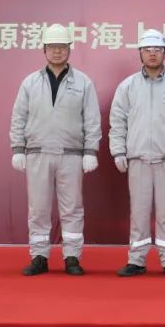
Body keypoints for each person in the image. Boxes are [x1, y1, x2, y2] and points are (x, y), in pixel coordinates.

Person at [10, 23, 102, 276]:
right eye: (52, 47)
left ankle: (72, 257)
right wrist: (18, 148)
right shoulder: (30, 82)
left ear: (69, 49)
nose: (57, 51)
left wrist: (90, 151)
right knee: (38, 209)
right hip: (37, 152)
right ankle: (39, 256)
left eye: (62, 46)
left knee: (72, 208)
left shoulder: (83, 82)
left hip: (71, 154)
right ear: (44, 49)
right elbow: (19, 117)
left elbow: (92, 119)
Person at [109, 29, 165, 277]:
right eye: (147, 50)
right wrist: (118, 151)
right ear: (140, 53)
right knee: (138, 213)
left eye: (157, 50)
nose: (152, 54)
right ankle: (136, 260)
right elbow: (117, 121)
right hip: (138, 159)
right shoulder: (127, 86)